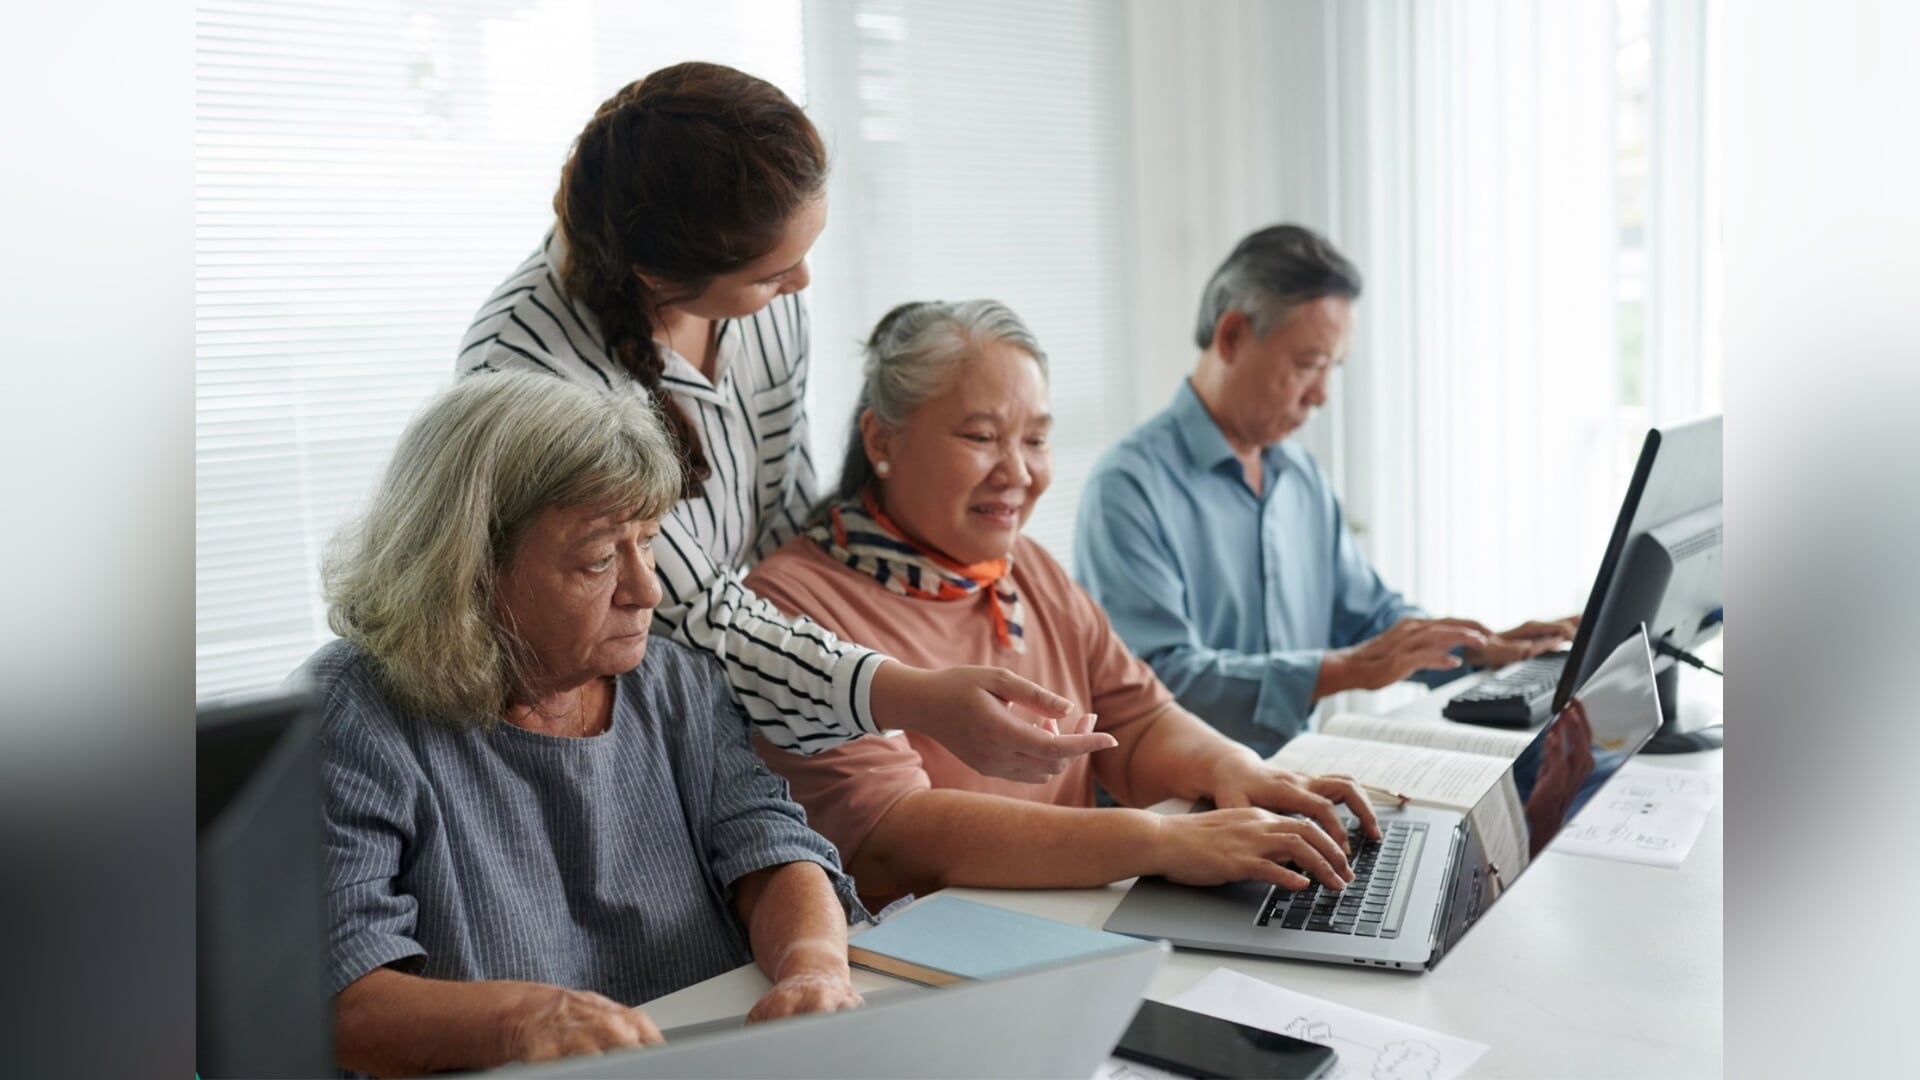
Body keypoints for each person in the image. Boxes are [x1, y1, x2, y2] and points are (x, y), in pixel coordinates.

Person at [457, 61, 1109, 783]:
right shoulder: (527, 369)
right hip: (600, 735)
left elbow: (784, 518)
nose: (799, 284)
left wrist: (869, 654)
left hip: (759, 682)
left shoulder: (766, 297)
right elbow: (691, 616)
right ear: (656, 277)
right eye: (772, 273)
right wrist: (907, 695)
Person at [739, 300, 1381, 911]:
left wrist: (1231, 767)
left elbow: (1138, 721)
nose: (1017, 472)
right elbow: (892, 835)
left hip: (1077, 927)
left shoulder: (1027, 567)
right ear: (881, 440)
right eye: (982, 436)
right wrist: (1161, 844)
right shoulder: (791, 606)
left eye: (1037, 440)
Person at [307, 373, 864, 1076]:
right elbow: (336, 999)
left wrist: (813, 968)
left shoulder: (673, 683)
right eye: (600, 559)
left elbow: (773, 852)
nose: (647, 590)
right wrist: (522, 1022)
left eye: (650, 542)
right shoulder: (350, 716)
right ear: (471, 572)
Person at [1074, 224, 1578, 757]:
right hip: (1180, 809)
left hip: (1294, 780)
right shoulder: (1128, 489)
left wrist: (1479, 648)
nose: (1320, 396)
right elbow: (1156, 686)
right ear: (1233, 337)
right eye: (1308, 365)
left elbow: (1370, 617)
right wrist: (1344, 669)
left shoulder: (1299, 478)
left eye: (1332, 369)